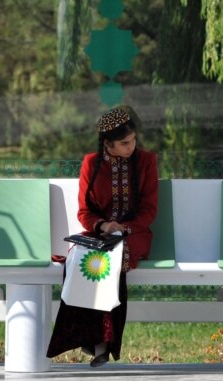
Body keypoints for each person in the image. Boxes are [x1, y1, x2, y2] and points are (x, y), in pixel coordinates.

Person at [47, 106, 159, 367]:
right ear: (107, 144)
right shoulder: (90, 164)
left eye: (133, 140)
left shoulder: (146, 161)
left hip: (135, 233)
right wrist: (103, 226)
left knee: (114, 259)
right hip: (101, 234)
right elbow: (84, 212)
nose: (132, 146)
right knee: (78, 259)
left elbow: (149, 210)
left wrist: (122, 228)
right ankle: (91, 338)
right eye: (124, 143)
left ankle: (103, 342)